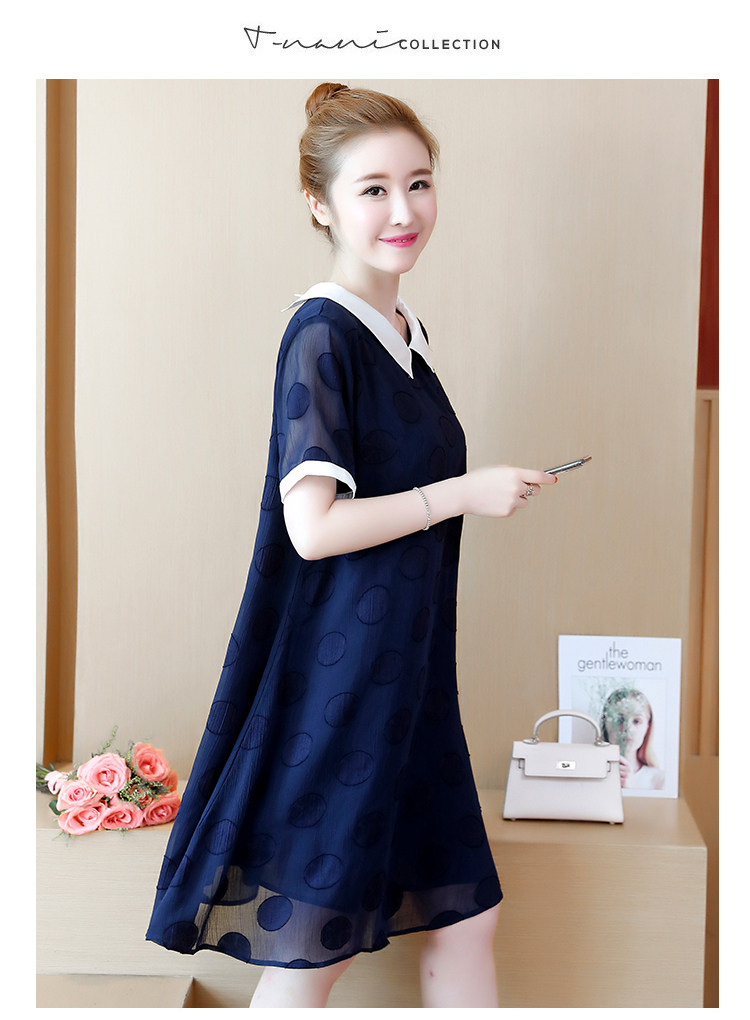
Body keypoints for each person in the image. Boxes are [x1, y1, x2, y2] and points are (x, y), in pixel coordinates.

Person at [145, 82, 557, 1008]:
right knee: (312, 950)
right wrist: (464, 493)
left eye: (419, 182)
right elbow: (313, 527)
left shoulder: (401, 333)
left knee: (466, 918)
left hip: (408, 681)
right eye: (373, 189)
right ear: (320, 204)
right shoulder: (322, 334)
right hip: (347, 689)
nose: (403, 210)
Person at [600, 688, 665, 790]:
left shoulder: (660, 780)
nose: (627, 728)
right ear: (605, 725)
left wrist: (633, 789)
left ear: (647, 727)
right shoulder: (590, 774)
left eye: (636, 721)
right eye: (619, 720)